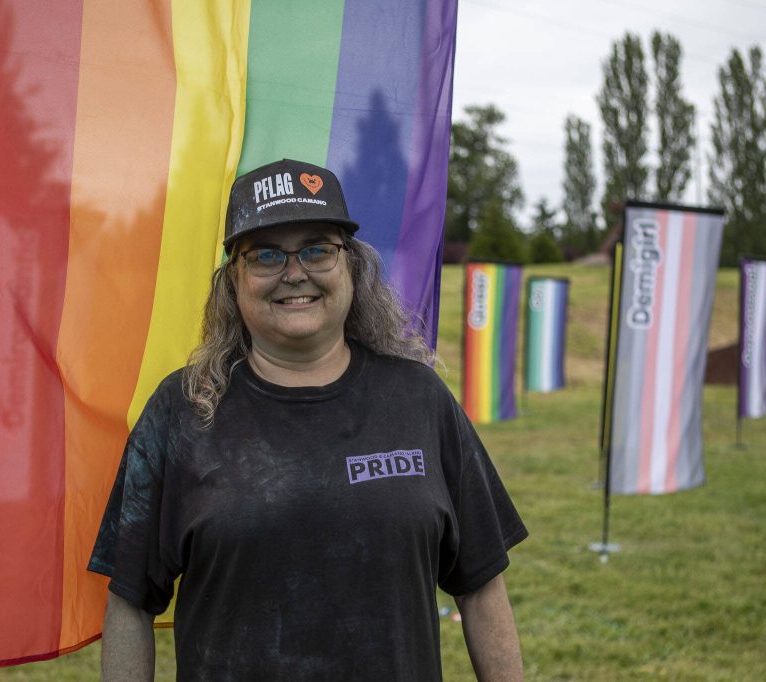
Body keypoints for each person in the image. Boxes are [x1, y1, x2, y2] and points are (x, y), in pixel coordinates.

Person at [89, 158, 528, 681]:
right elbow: (130, 600)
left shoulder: (419, 398)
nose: (294, 273)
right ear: (234, 277)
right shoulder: (181, 408)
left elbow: (481, 587)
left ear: (352, 266)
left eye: (318, 249)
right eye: (266, 255)